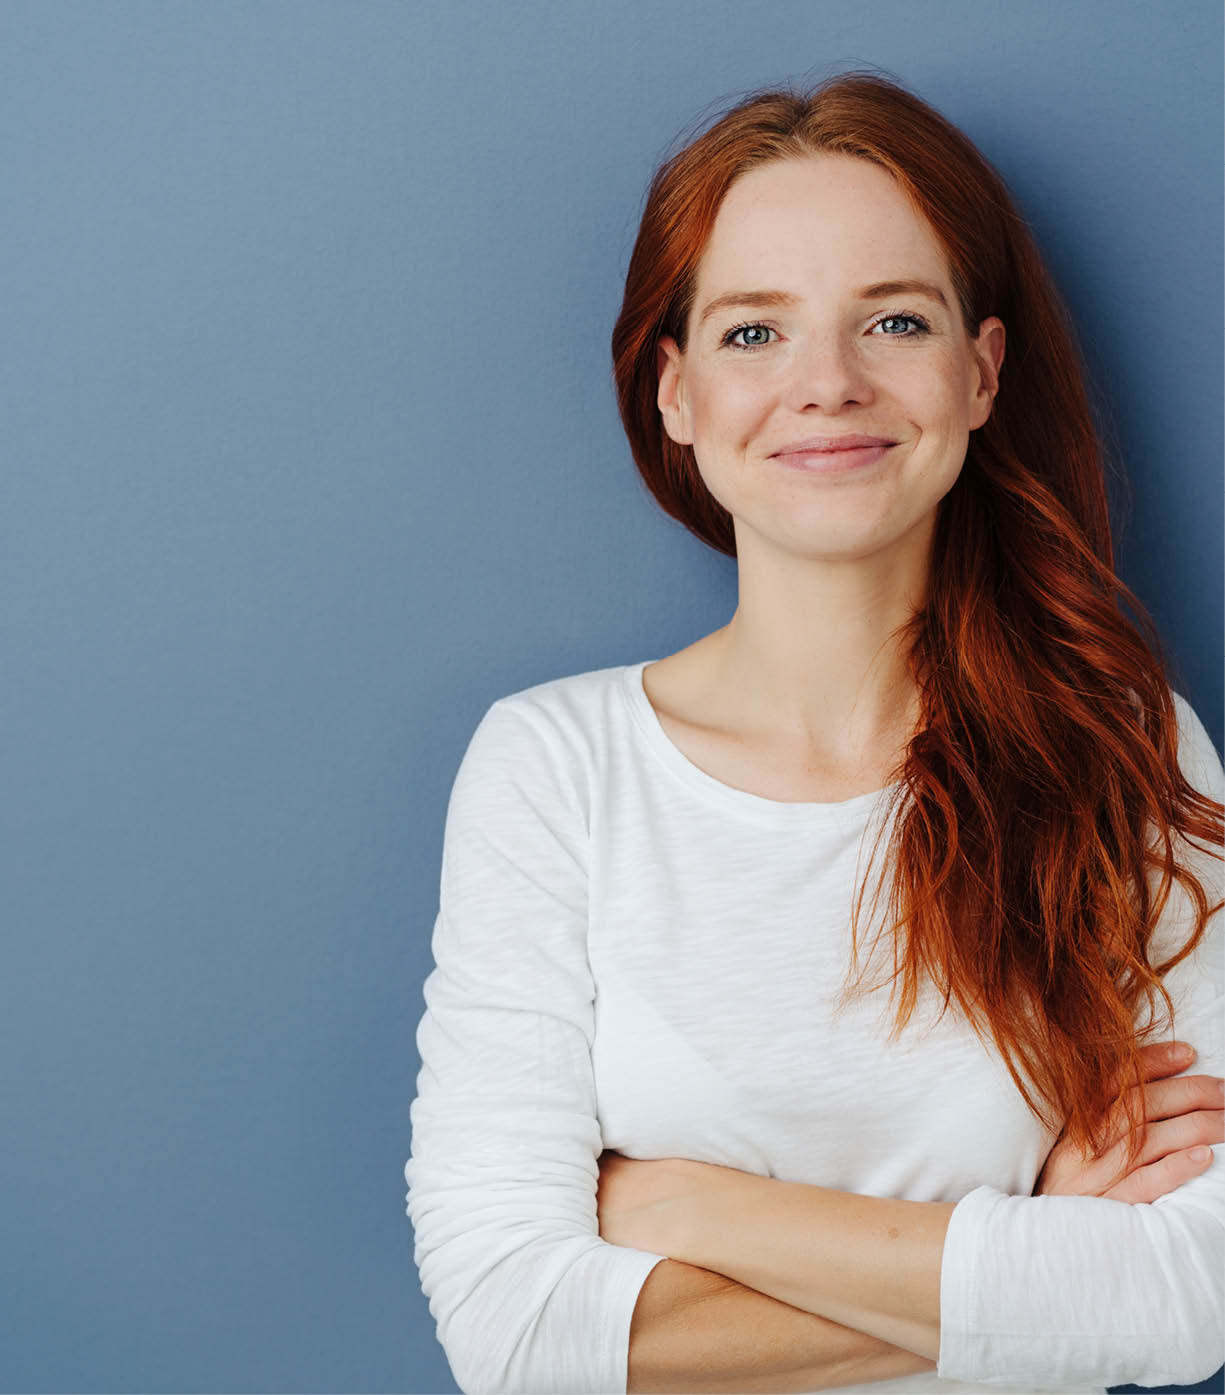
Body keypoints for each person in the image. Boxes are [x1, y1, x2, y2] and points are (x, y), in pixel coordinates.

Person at [404, 69, 1225, 1394]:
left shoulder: (1121, 748)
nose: (827, 384)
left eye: (892, 320)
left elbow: (1190, 1295)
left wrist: (693, 1212)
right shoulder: (554, 768)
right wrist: (1043, 1240)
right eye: (751, 333)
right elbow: (512, 1334)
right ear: (672, 393)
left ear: (979, 372)